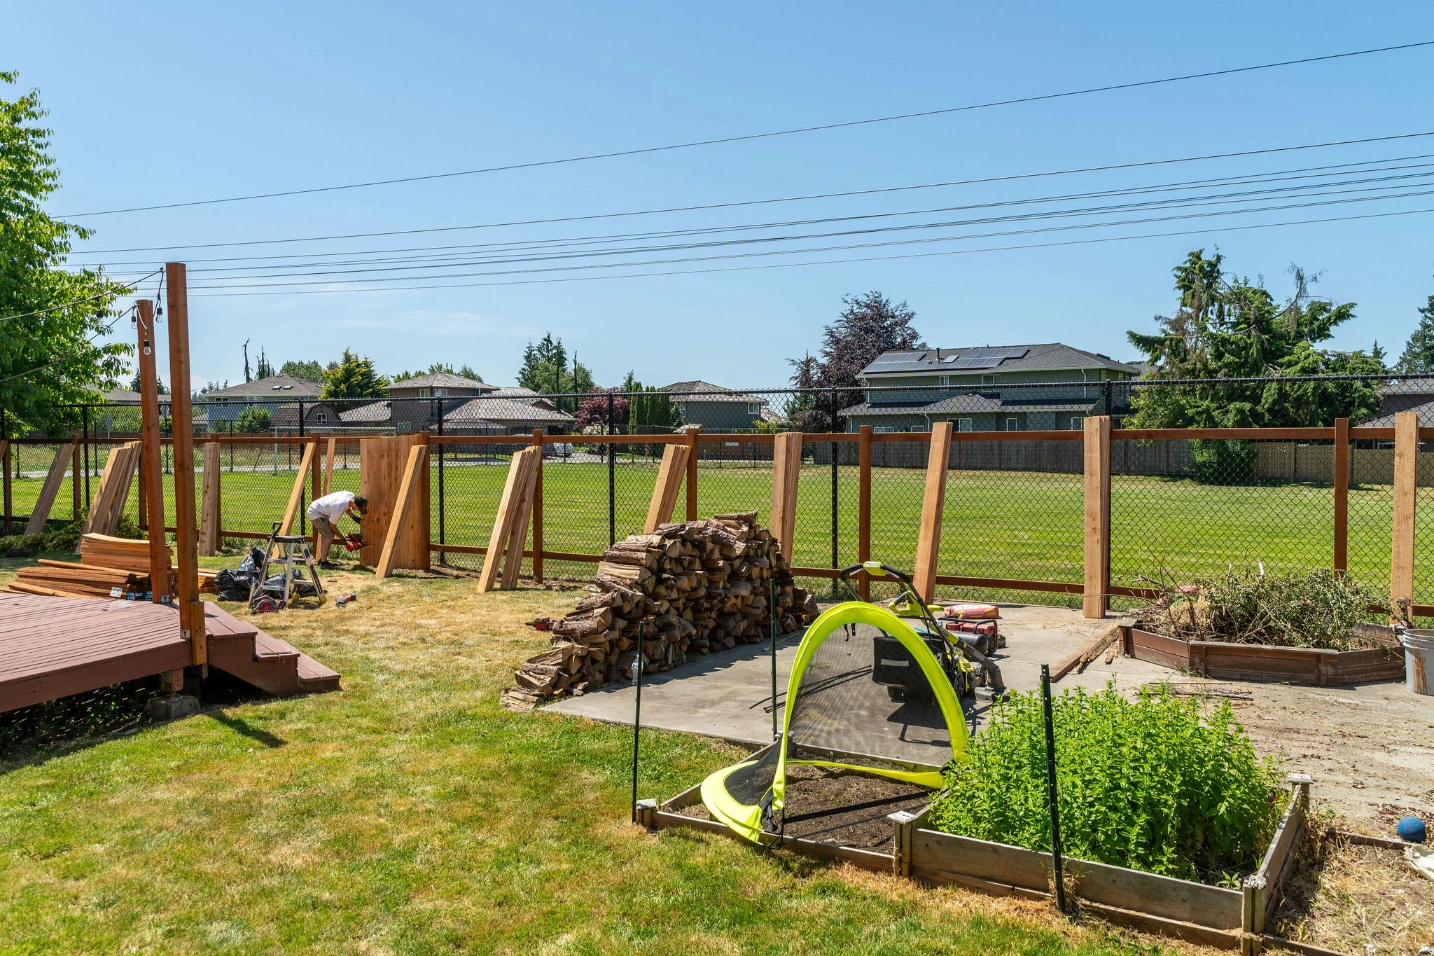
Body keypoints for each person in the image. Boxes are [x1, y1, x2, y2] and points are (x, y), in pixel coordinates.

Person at [305, 490, 366, 567]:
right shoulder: (338, 509)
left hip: (323, 510)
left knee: (328, 535)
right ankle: (323, 563)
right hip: (315, 512)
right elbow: (332, 526)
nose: (358, 510)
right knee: (329, 535)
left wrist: (354, 517)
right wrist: (344, 539)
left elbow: (346, 506)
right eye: (359, 509)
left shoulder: (350, 495)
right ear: (354, 504)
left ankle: (322, 560)